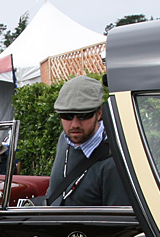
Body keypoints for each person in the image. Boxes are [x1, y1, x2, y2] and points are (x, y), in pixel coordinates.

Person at [46, 75, 132, 207]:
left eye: (83, 115)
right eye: (66, 115)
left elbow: (118, 222)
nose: (74, 124)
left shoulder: (113, 161)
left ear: (99, 114)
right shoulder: (65, 140)